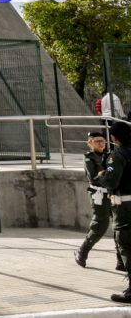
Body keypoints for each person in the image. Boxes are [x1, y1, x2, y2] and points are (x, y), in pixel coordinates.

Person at [75, 131, 124, 270]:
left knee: (119, 226)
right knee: (100, 225)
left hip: (113, 193)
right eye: (97, 141)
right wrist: (108, 176)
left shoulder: (111, 155)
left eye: (103, 141)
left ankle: (120, 260)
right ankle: (82, 251)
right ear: (89, 143)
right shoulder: (89, 158)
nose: (101, 144)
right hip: (99, 195)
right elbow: (94, 177)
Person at [95, 120, 131, 303]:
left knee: (125, 243)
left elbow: (111, 182)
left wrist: (101, 177)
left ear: (114, 138)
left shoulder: (117, 156)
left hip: (125, 207)